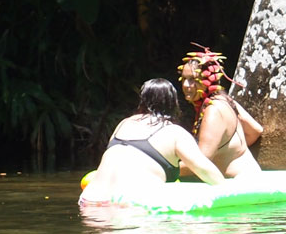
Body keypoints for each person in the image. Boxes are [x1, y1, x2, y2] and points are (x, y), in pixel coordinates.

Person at [80, 78, 224, 204]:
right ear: (173, 103)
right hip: (131, 204)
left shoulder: (124, 124)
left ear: (142, 101)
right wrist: (226, 188)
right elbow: (206, 171)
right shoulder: (174, 132)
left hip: (90, 200)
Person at [178, 46, 262, 177]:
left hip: (241, 185)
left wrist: (165, 169)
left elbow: (201, 162)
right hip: (245, 177)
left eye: (193, 80)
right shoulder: (226, 100)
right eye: (184, 79)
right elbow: (255, 130)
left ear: (207, 81)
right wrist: (230, 150)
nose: (186, 85)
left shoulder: (213, 111)